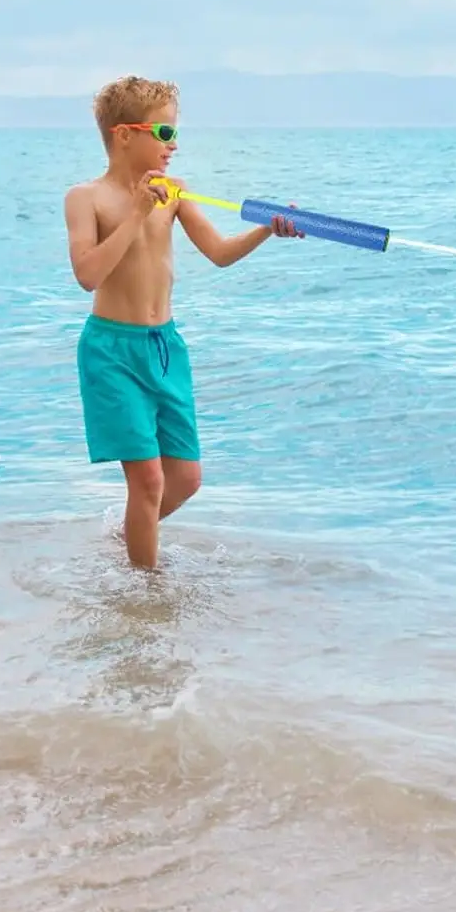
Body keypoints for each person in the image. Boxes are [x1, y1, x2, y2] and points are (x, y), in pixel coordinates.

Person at [63, 76, 300, 569]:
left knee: (186, 479)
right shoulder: (86, 198)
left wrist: (264, 231)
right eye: (165, 133)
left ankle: (129, 533)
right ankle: (146, 593)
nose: (175, 145)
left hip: (165, 348)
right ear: (125, 135)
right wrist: (136, 213)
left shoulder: (176, 192)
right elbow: (88, 275)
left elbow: (218, 253)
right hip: (111, 351)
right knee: (147, 481)